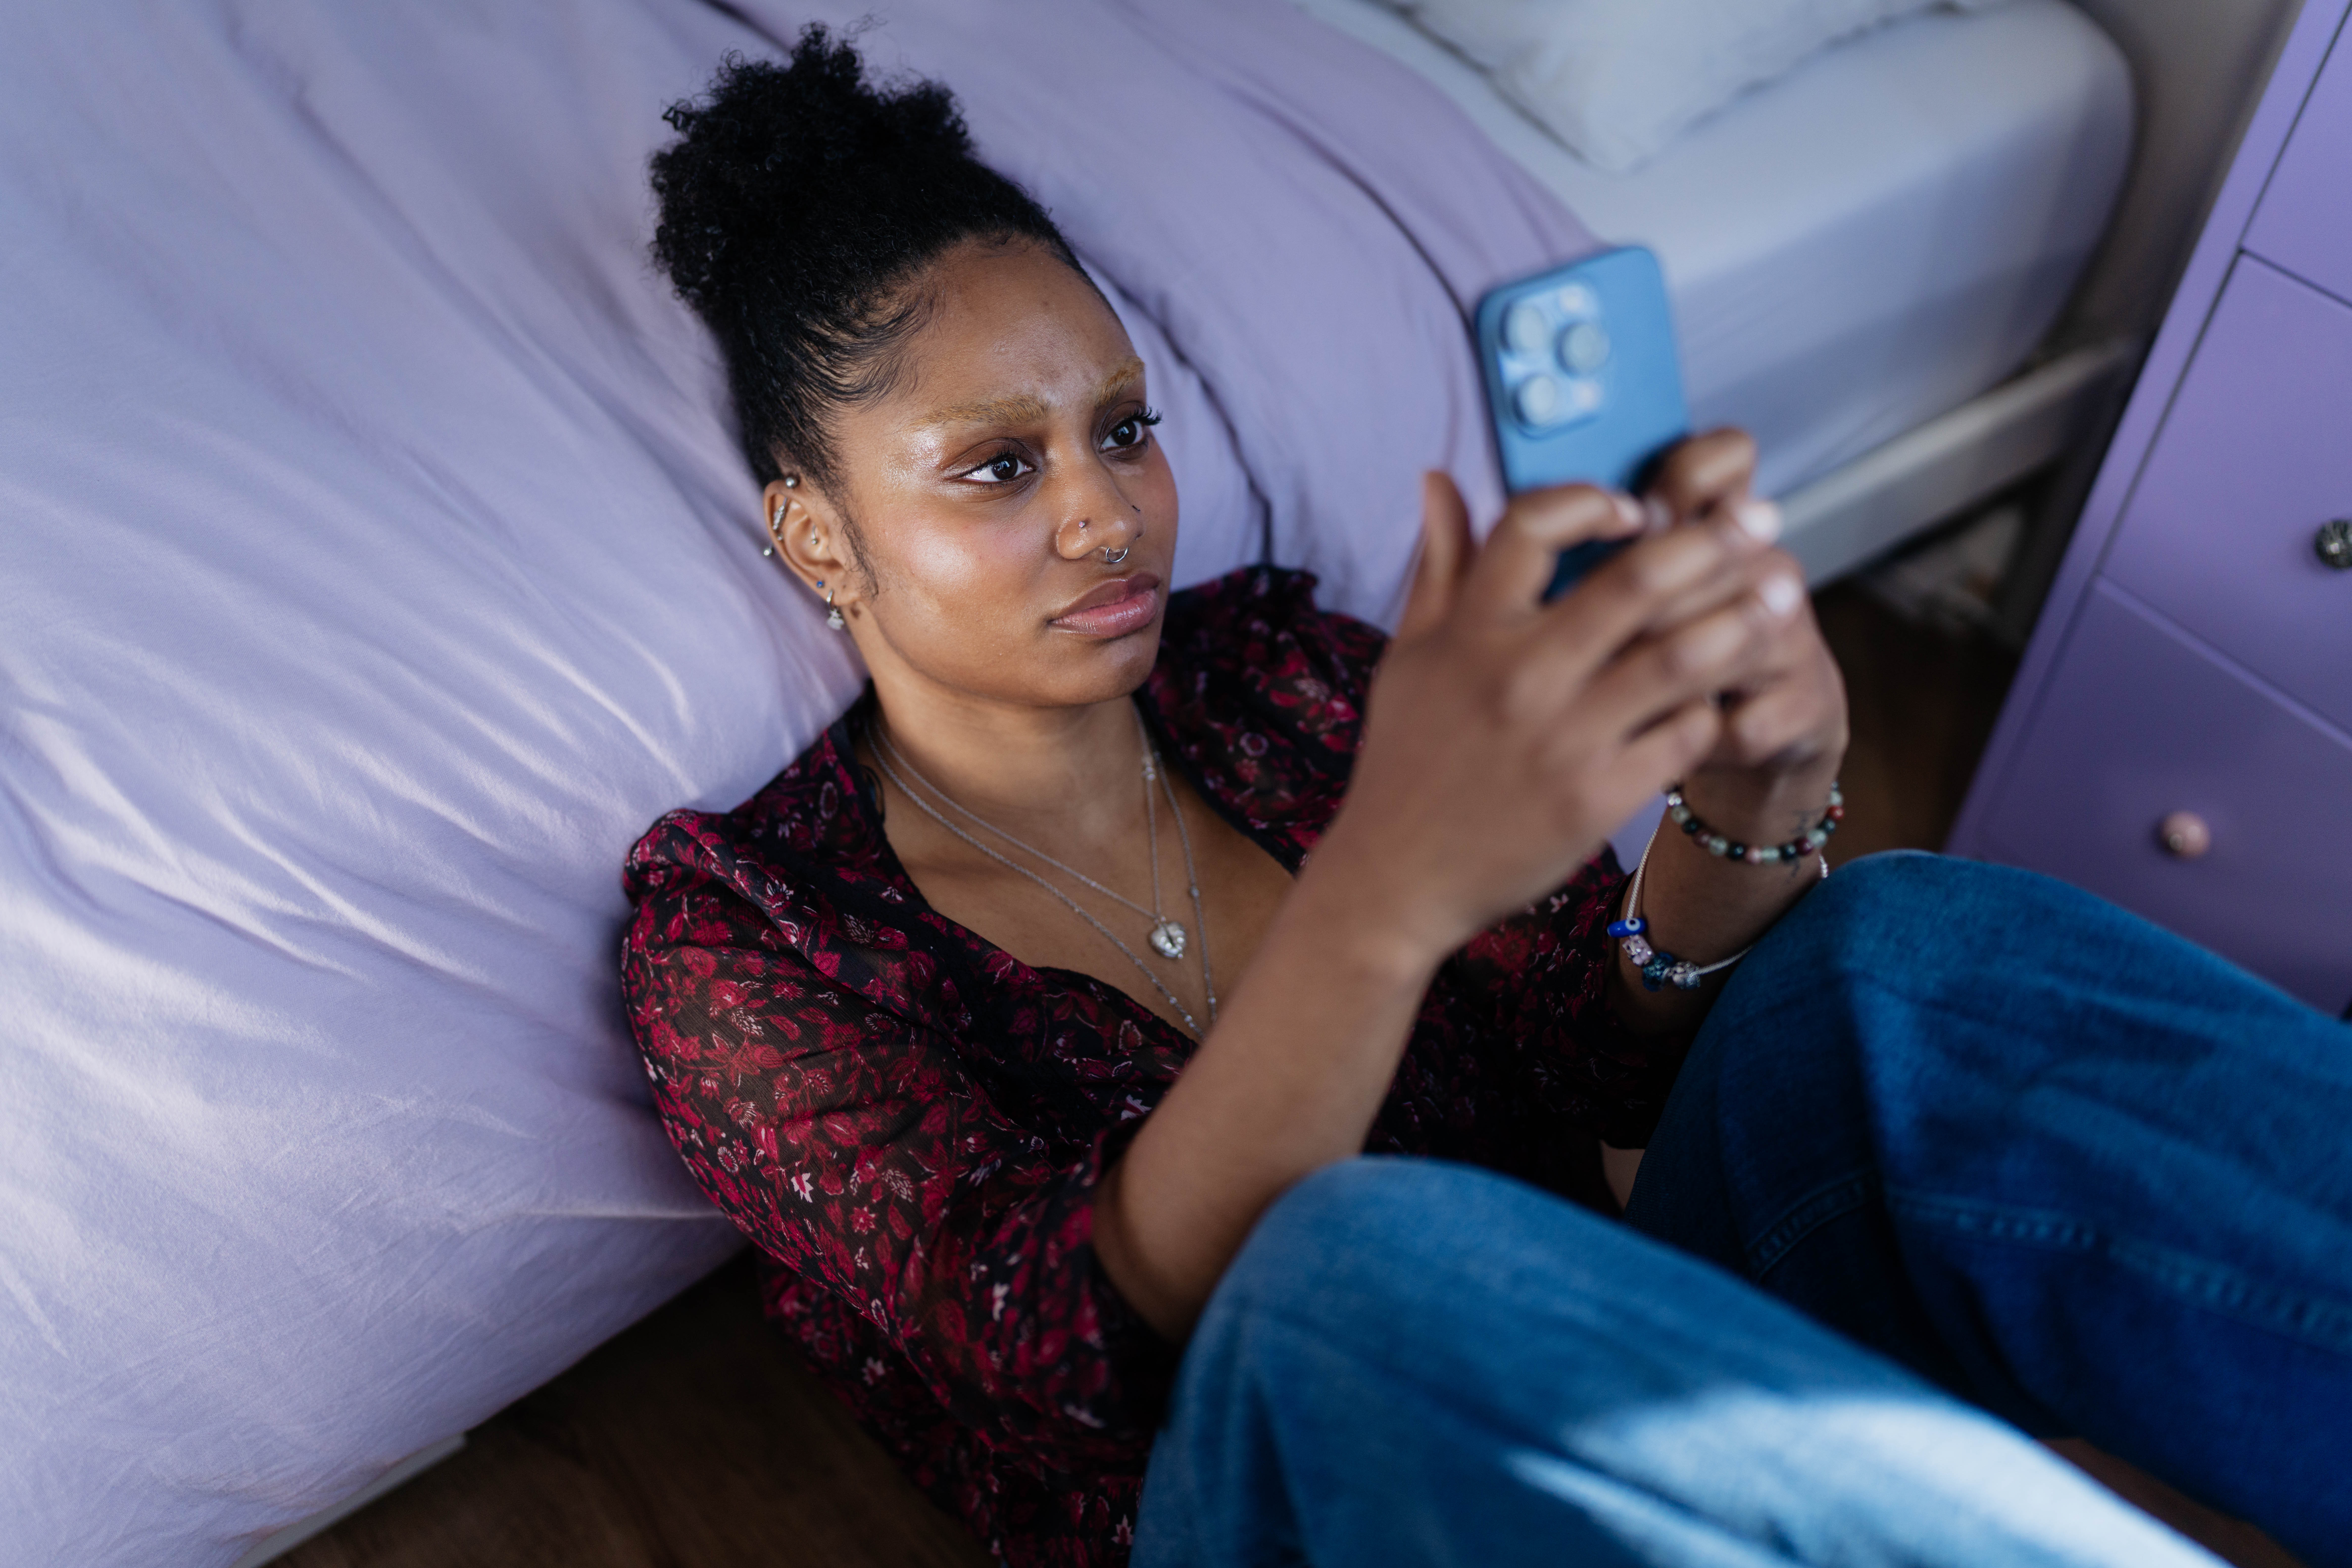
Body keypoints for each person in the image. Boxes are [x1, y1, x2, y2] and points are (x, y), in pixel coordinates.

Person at [620, 30, 2352, 1568]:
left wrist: (1753, 797)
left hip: (1608, 1369)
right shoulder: (747, 938)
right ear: (819, 537)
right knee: (1343, 1266)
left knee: (1897, 954)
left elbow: (1600, 1062)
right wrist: (1383, 900)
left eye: (1124, 431)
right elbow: (1073, 1356)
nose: (1107, 514)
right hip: (1274, 1499)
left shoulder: (1272, 668)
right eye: (1001, 467)